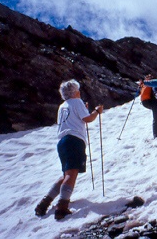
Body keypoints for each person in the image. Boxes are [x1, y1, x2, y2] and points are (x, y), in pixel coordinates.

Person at [34, 79, 103, 220]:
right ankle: (62, 207)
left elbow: (76, 117)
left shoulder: (63, 106)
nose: (79, 92)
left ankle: (45, 202)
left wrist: (84, 108)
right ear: (74, 91)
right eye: (78, 89)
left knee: (66, 174)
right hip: (74, 140)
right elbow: (88, 119)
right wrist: (96, 111)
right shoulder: (77, 102)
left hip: (62, 141)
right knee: (71, 174)